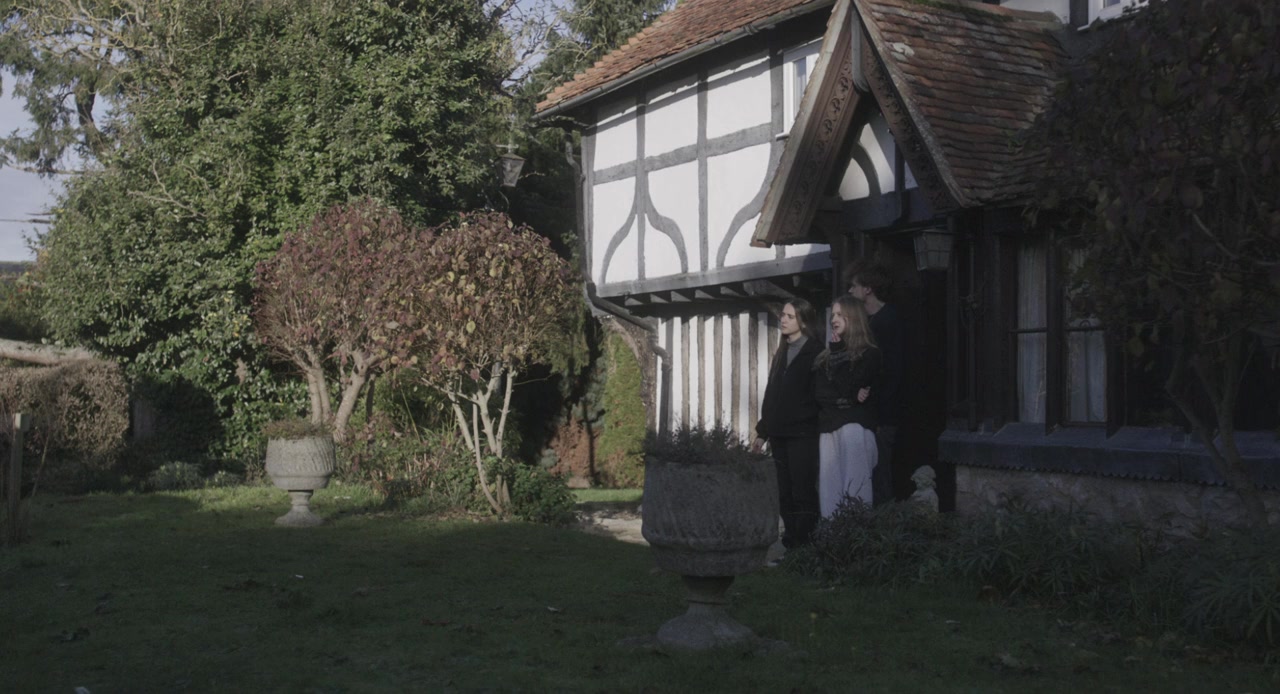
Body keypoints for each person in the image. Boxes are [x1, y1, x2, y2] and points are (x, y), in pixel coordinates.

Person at [752, 299, 822, 550]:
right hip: (779, 433)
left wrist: (803, 418)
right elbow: (772, 394)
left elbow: (817, 397)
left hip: (802, 434)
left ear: (803, 321)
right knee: (784, 493)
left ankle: (805, 547)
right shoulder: (782, 351)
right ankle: (792, 544)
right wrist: (762, 432)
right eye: (783, 315)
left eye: (790, 316)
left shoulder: (815, 352)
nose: (783, 320)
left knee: (802, 491)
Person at [813, 295, 882, 516]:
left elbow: (848, 386)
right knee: (830, 496)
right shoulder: (825, 358)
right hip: (829, 428)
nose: (834, 319)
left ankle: (857, 535)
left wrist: (839, 357)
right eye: (833, 314)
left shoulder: (870, 354)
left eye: (840, 314)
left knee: (856, 492)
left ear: (853, 317)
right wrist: (850, 397)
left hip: (855, 429)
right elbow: (821, 395)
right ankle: (832, 537)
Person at [848, 260, 904, 505]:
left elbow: (892, 372)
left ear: (868, 289)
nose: (850, 290)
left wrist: (882, 414)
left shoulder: (887, 321)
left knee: (881, 473)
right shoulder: (868, 322)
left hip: (882, 414)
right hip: (868, 412)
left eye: (854, 286)